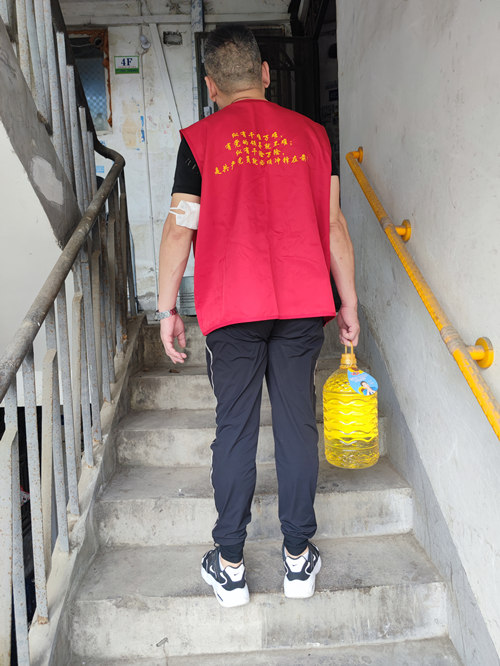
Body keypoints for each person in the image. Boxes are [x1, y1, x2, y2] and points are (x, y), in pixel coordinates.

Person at [157, 25, 360, 608]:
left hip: (233, 309)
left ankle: (230, 566)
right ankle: (298, 560)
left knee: (235, 432)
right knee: (297, 428)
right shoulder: (313, 135)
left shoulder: (199, 141)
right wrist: (348, 301)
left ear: (210, 85)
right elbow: (334, 225)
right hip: (301, 305)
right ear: (266, 74)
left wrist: (167, 308)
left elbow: (180, 228)